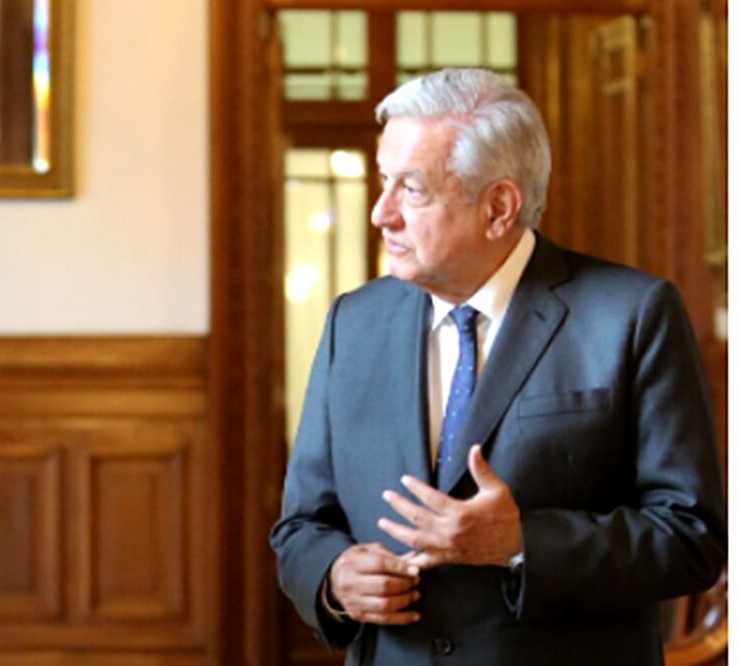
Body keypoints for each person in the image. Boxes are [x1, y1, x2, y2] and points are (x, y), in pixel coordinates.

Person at [270, 68, 725, 666]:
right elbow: (300, 526)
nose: (382, 213)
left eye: (412, 189)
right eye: (385, 181)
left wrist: (520, 543)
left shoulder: (633, 315)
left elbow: (692, 538)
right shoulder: (352, 324)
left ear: (499, 207)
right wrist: (332, 577)